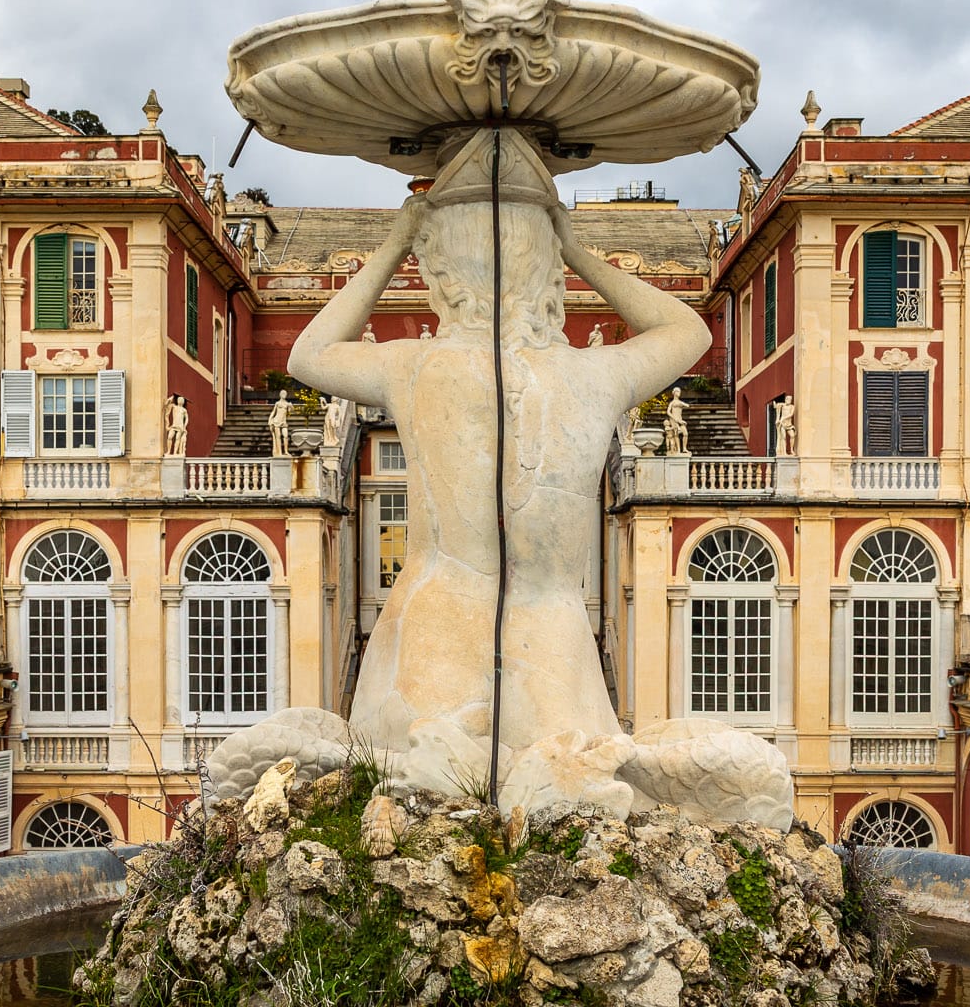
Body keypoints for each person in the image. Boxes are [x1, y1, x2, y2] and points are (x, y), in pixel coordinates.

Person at [289, 129, 709, 752]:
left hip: (434, 624)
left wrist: (396, 241)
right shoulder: (594, 375)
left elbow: (308, 354)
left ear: (436, 275)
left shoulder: (415, 367)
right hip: (553, 636)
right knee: (571, 823)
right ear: (552, 277)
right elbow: (688, 330)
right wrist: (577, 249)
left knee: (404, 826)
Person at [663, 386, 689, 455]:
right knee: (676, 435)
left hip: (680, 419)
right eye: (677, 391)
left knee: (685, 434)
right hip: (674, 419)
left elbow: (686, 405)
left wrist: (683, 404)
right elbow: (668, 412)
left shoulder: (680, 402)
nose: (679, 393)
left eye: (679, 391)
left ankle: (684, 448)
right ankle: (678, 449)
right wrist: (674, 419)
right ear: (674, 393)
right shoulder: (672, 403)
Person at [267, 389, 292, 457]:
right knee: (278, 437)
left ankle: (286, 451)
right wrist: (270, 420)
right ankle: (280, 452)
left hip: (284, 421)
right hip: (277, 421)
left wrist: (290, 407)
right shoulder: (277, 403)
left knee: (286, 436)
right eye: (283, 393)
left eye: (285, 394)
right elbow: (273, 412)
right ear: (280, 395)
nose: (284, 395)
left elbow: (289, 412)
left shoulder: (287, 403)